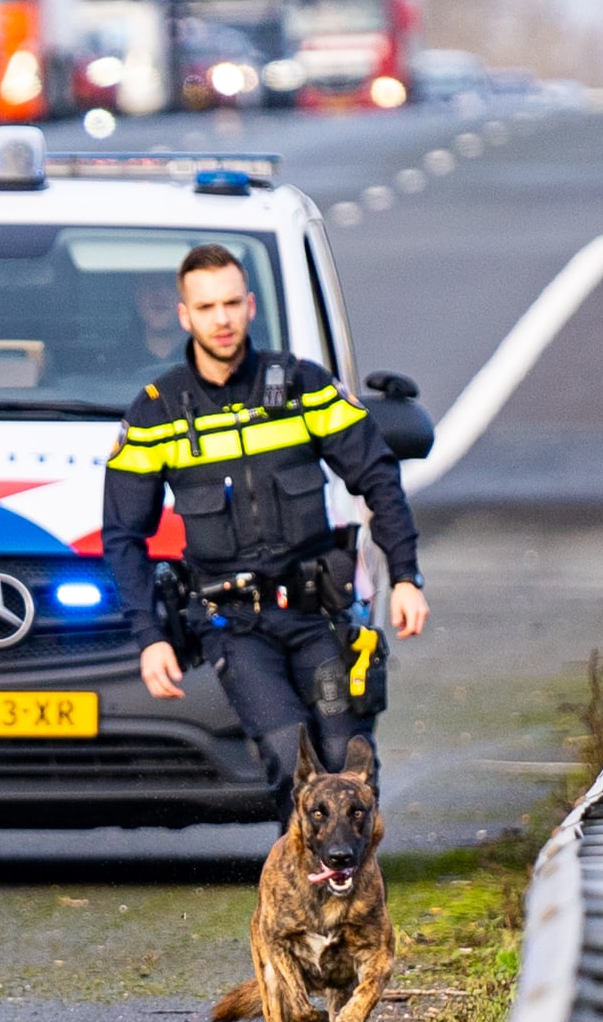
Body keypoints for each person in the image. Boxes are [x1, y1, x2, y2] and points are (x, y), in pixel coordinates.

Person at [100, 242, 428, 823]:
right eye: (206, 307)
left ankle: (351, 894)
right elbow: (124, 536)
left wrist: (405, 575)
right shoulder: (157, 413)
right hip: (235, 627)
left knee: (343, 757)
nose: (221, 319)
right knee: (288, 755)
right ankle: (310, 894)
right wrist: (149, 636)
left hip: (315, 616)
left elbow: (377, 473)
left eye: (231, 303)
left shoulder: (304, 388)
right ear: (185, 316)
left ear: (251, 306)